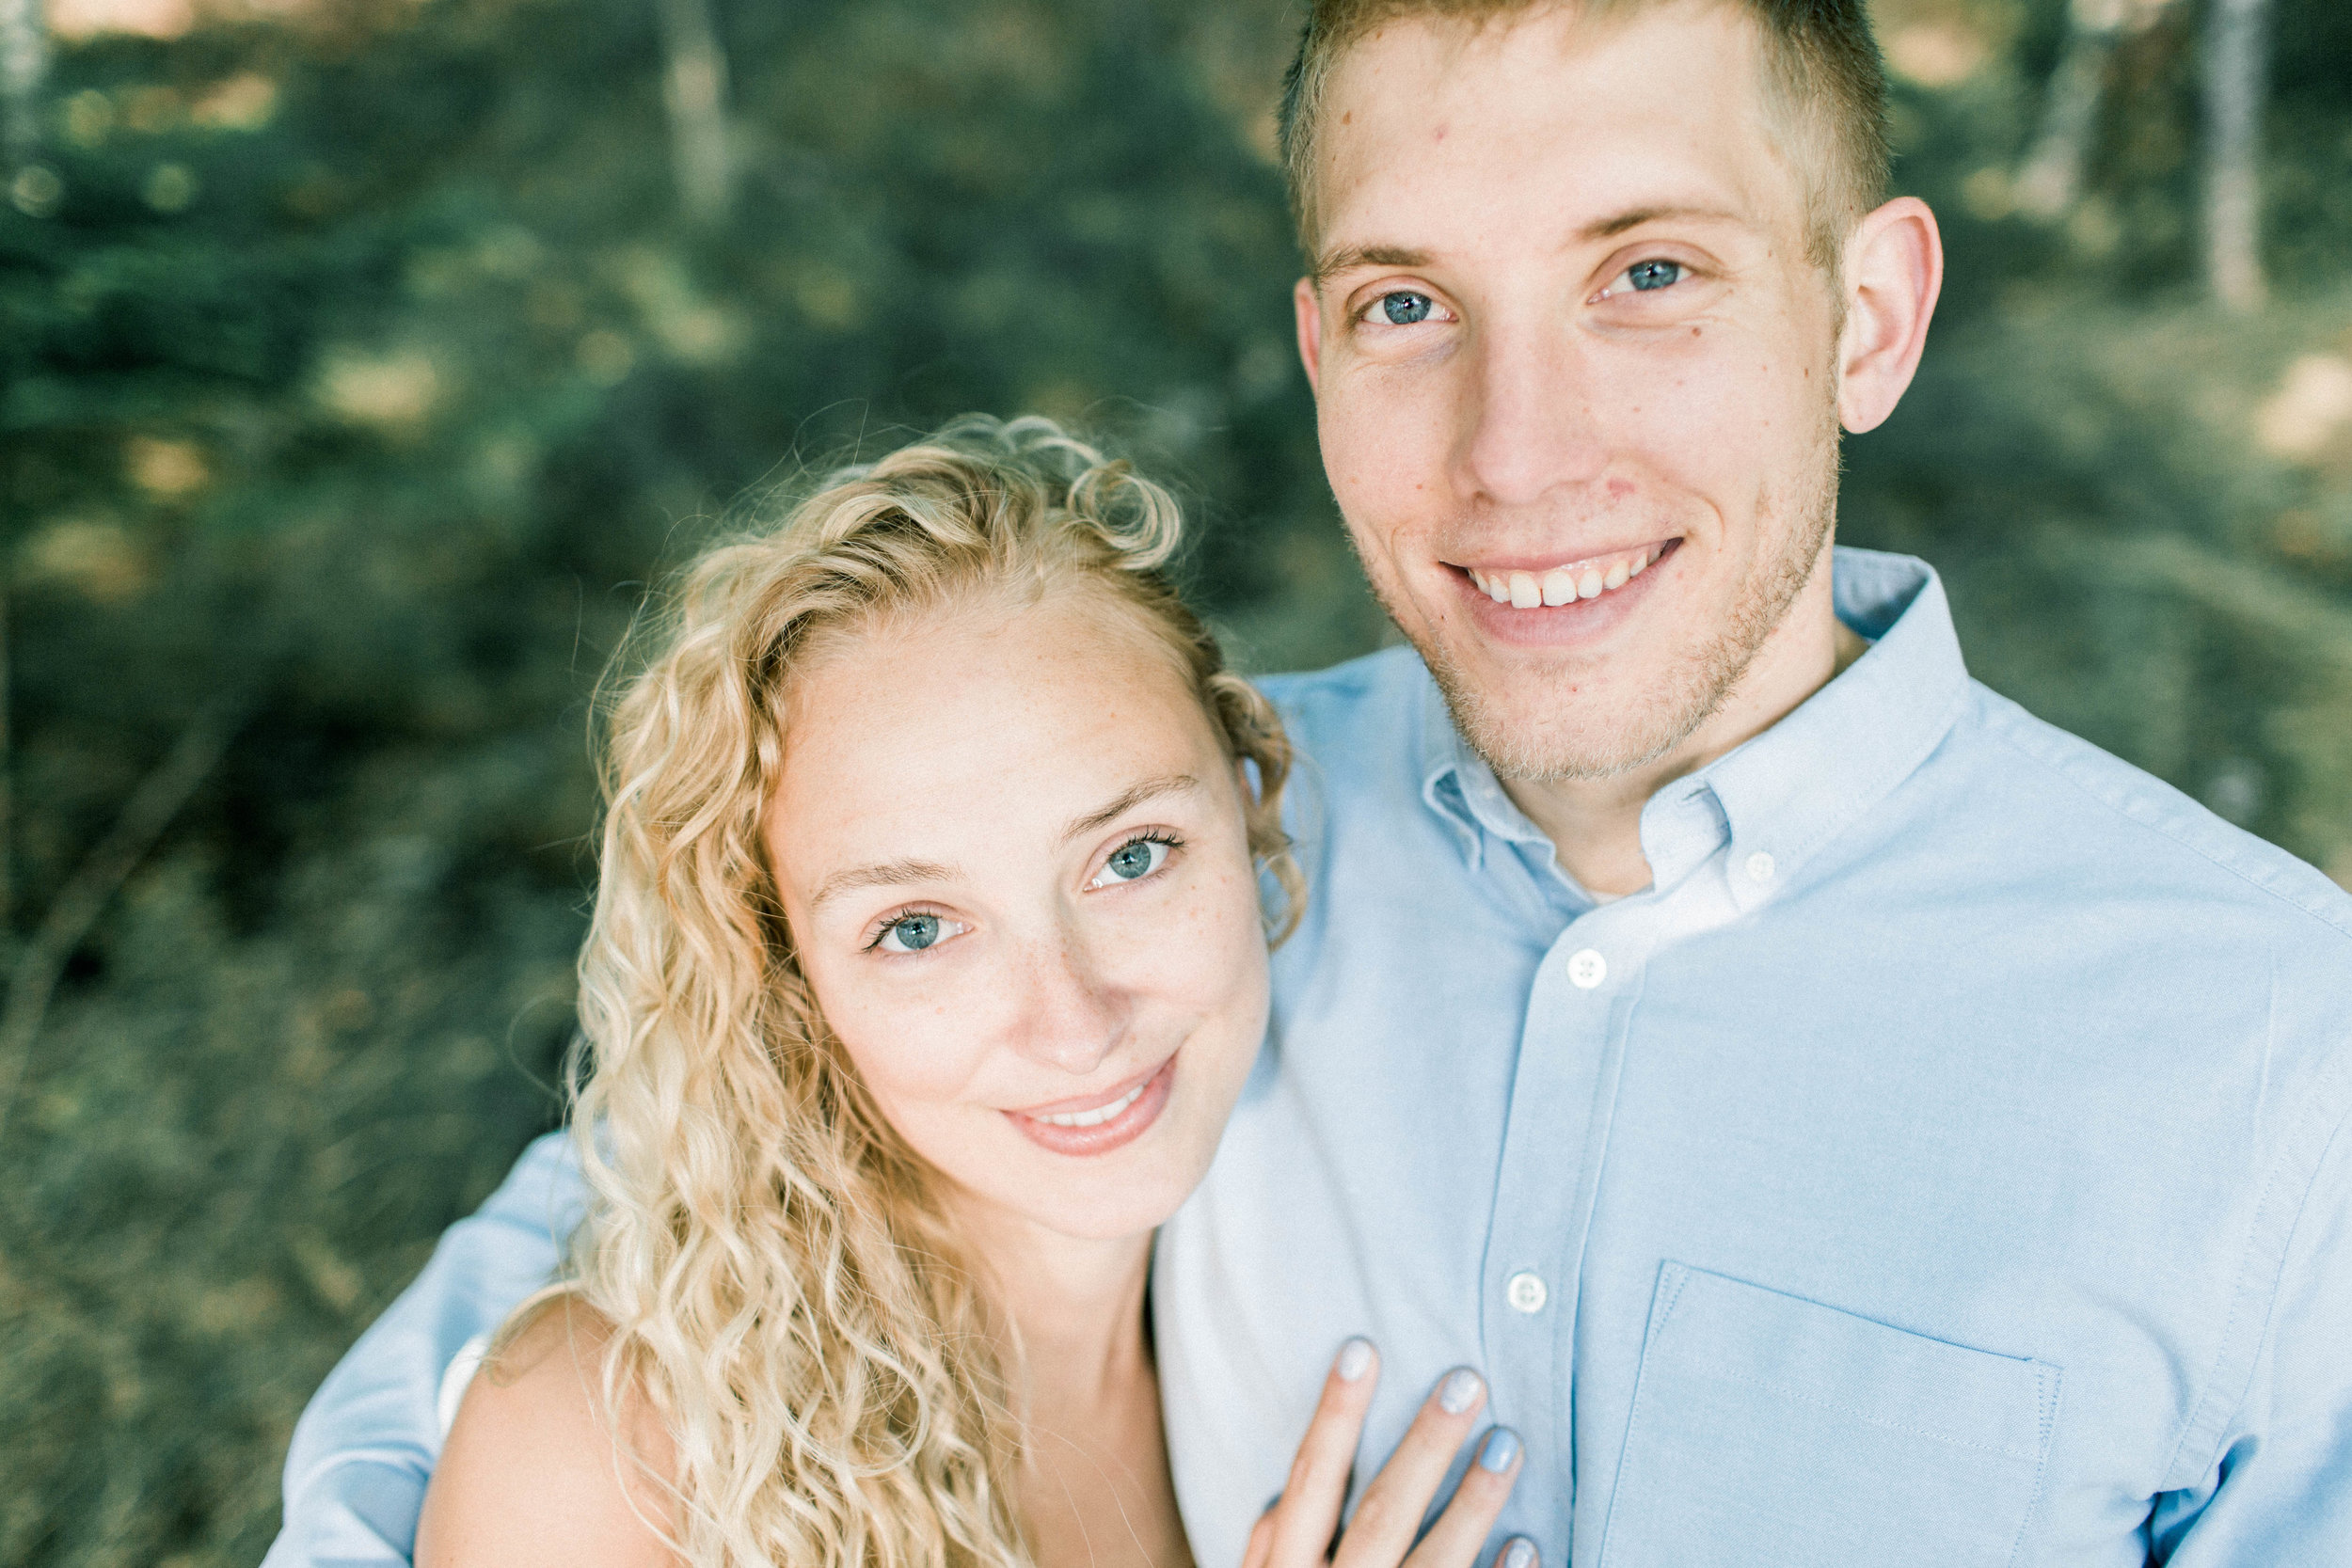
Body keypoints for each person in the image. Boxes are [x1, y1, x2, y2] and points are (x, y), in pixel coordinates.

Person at [271, 2, 2352, 1563]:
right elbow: (599, 1266)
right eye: (1405, 302)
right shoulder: (1162, 812)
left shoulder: (2267, 1051)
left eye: (1648, 273)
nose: (1514, 449)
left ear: (1866, 316)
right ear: (1313, 344)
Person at [410, 419, 1534, 1568]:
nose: (1076, 1022)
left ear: (1250, 808)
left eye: (1132, 855)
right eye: (915, 928)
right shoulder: (611, 1446)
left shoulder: (1287, 1296)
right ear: (786, 976)